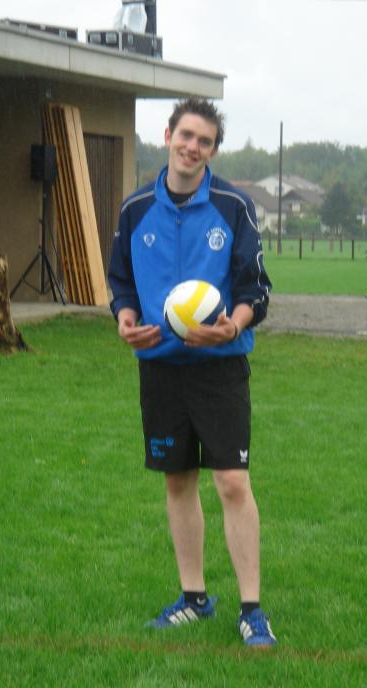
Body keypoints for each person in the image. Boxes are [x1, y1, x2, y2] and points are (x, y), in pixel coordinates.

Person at [108, 97, 276, 647]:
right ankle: (194, 598)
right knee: (178, 480)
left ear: (213, 151)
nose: (192, 147)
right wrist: (125, 318)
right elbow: (121, 283)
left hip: (219, 368)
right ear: (168, 136)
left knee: (232, 481)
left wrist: (233, 327)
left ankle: (251, 610)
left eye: (204, 141)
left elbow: (255, 288)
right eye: (186, 135)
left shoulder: (233, 206)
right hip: (160, 367)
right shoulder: (135, 209)